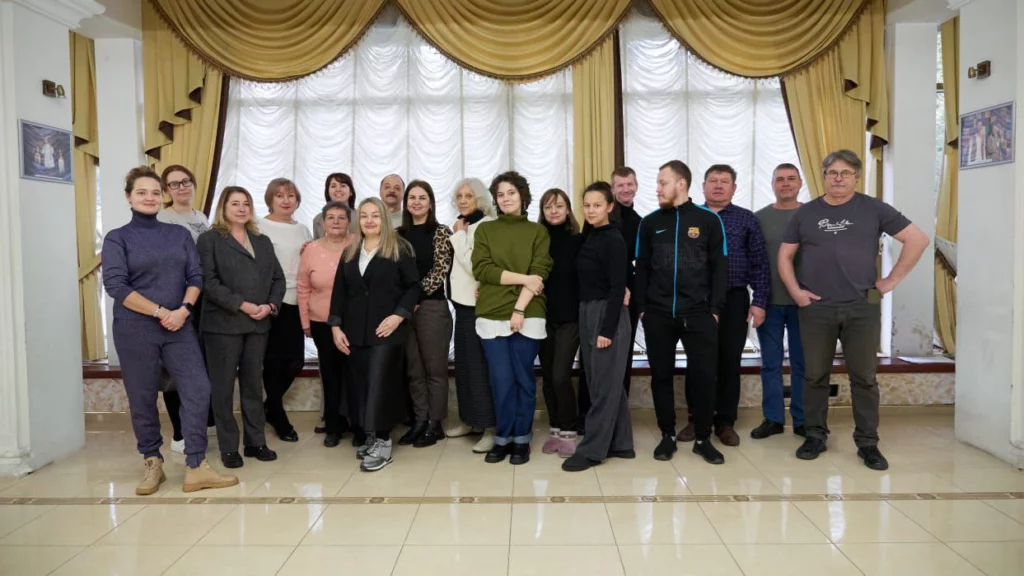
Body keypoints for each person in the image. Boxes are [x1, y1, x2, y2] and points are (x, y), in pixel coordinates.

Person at [780, 149, 929, 471]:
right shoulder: (805, 213)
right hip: (816, 308)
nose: (838, 179)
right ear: (824, 176)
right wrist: (796, 293)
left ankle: (868, 443)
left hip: (863, 305)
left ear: (857, 178)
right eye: (832, 173)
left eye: (845, 173)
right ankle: (814, 436)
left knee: (864, 378)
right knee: (814, 375)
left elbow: (917, 239)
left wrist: (890, 281)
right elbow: (784, 256)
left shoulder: (874, 209)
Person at [101, 166, 238, 495]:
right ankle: (152, 462)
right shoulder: (117, 238)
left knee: (198, 388)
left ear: (161, 195)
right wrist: (161, 312)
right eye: (141, 192)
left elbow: (196, 276)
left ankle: (196, 465)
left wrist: (184, 310)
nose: (149, 198)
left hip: (179, 325)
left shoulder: (178, 235)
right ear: (129, 197)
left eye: (154, 192)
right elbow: (116, 286)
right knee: (143, 396)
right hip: (135, 329)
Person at [635, 160, 727, 464]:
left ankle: (703, 438)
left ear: (681, 184)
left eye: (663, 183)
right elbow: (641, 269)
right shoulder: (649, 223)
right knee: (661, 376)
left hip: (699, 314)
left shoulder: (709, 220)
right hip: (658, 315)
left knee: (704, 377)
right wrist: (643, 309)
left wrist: (714, 310)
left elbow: (720, 268)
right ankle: (667, 435)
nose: (657, 188)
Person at [679, 165, 768, 447]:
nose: (718, 186)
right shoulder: (689, 217)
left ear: (734, 187)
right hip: (697, 300)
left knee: (729, 360)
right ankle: (696, 419)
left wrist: (759, 302)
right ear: (703, 186)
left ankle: (725, 422)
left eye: (724, 181)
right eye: (713, 181)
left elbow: (760, 263)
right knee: (697, 361)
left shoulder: (746, 219)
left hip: (734, 299)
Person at [329, 198, 420, 472]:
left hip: (387, 329)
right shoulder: (350, 251)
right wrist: (335, 326)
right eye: (365, 216)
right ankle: (371, 436)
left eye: (375, 216)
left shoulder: (400, 249)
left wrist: (398, 316)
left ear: (384, 219)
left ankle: (383, 443)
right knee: (361, 385)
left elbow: (414, 287)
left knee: (381, 385)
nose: (369, 220)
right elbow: (339, 292)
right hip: (355, 331)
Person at [197, 186, 285, 469]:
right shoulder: (210, 240)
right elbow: (209, 282)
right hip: (223, 326)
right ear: (223, 208)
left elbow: (278, 279)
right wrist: (243, 305)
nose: (241, 208)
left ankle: (255, 442)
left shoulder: (262, 240)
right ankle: (228, 447)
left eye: (246, 203)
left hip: (259, 325)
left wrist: (270, 306)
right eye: (234, 203)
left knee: (253, 386)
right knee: (222, 389)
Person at [473, 171, 553, 465]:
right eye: (500, 194)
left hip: (529, 312)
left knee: (523, 380)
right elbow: (483, 269)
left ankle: (522, 438)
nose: (505, 198)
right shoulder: (485, 231)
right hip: (492, 314)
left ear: (522, 196)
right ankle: (502, 437)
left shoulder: (537, 232)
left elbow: (540, 272)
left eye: (511, 193)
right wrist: (524, 278)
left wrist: (519, 309)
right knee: (501, 380)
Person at [562, 182, 634, 472]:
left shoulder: (613, 239)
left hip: (607, 315)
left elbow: (618, 288)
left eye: (597, 205)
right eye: (587, 205)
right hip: (589, 310)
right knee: (606, 382)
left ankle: (592, 451)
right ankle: (621, 443)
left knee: (602, 387)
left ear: (609, 207)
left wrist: (606, 330)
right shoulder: (591, 235)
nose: (591, 210)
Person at [157, 164, 217, 454]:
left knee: (198, 362)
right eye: (174, 184)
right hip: (176, 298)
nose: (181, 187)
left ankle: (198, 422)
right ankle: (179, 433)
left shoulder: (200, 216)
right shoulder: (163, 218)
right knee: (175, 366)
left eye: (185, 182)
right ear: (166, 190)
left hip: (202, 298)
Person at [398, 180, 454, 448]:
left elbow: (440, 269)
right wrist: (405, 303)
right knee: (414, 370)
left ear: (430, 203)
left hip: (432, 307)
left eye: (422, 197)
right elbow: (392, 271)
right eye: (412, 197)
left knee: (435, 369)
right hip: (404, 312)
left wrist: (415, 298)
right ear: (406, 203)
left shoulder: (441, 232)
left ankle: (435, 423)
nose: (417, 202)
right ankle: (420, 421)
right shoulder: (397, 235)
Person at [752, 163, 806, 439]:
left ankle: (802, 419)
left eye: (790, 179)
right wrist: (756, 299)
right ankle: (773, 418)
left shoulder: (812, 215)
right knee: (770, 363)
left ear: (800, 183)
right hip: (769, 302)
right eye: (780, 179)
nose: (785, 184)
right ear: (772, 184)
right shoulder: (759, 218)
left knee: (802, 364)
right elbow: (753, 260)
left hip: (804, 304)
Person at [259, 178, 314, 443]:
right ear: (270, 199)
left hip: (297, 301)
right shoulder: (259, 226)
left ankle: (270, 405)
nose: (285, 200)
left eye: (291, 195)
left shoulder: (302, 229)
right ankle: (277, 414)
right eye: (279, 195)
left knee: (295, 362)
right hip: (271, 301)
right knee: (273, 361)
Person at [446, 178, 498, 453]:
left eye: (469, 195)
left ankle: (489, 427)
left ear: (480, 199)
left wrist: (458, 236)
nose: (463, 200)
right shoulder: (464, 225)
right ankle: (470, 421)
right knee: (465, 367)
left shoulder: (486, 225)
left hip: (480, 308)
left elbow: (475, 266)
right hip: (463, 307)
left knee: (480, 369)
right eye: (459, 196)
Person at [299, 202, 357, 447]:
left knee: (354, 375)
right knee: (331, 376)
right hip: (321, 321)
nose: (336, 221)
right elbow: (303, 287)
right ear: (322, 222)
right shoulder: (311, 249)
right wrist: (305, 321)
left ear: (349, 222)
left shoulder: (358, 243)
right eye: (331, 217)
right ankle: (333, 427)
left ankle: (358, 425)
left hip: (354, 322)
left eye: (341, 217)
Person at [537, 188, 582, 458]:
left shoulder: (579, 240)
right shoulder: (537, 241)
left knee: (560, 375)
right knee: (547, 377)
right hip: (542, 318)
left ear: (567, 210)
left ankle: (569, 431)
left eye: (559, 206)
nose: (553, 211)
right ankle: (554, 429)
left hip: (570, 318)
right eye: (548, 207)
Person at [313, 172, 357, 239]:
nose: (338, 189)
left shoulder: (360, 217)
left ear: (351, 192)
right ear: (327, 192)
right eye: (333, 186)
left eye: (343, 186)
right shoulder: (318, 219)